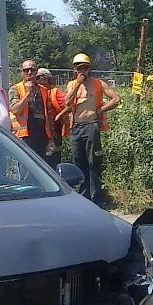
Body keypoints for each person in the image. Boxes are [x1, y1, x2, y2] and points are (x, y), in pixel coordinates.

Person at [55, 53, 120, 205]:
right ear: (74, 70)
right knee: (79, 162)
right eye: (79, 68)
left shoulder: (98, 83)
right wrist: (78, 84)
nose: (82, 71)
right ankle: (83, 197)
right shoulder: (72, 85)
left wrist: (101, 109)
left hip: (91, 126)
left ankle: (96, 197)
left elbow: (116, 99)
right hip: (77, 127)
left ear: (89, 68)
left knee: (93, 162)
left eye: (84, 67)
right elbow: (67, 103)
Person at [8, 59, 55, 157]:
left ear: (36, 72)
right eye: (26, 70)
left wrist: (51, 138)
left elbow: (48, 116)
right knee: (26, 170)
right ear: (22, 72)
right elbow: (15, 110)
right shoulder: (16, 89)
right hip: (24, 137)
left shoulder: (43, 90)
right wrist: (28, 93)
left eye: (32, 70)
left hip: (42, 137)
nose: (29, 73)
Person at [36, 67, 66, 168]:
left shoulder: (55, 92)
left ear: (46, 79)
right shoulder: (37, 93)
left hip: (54, 130)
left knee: (53, 161)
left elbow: (69, 104)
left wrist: (59, 116)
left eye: (38, 77)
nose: (36, 80)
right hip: (41, 131)